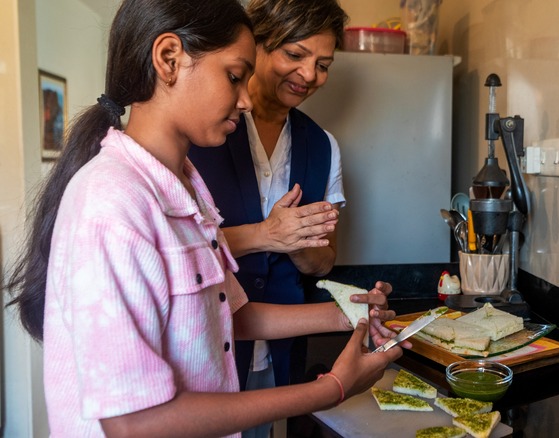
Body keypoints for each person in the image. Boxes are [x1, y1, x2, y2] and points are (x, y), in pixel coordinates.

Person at [3, 0, 405, 436]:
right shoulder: (112, 201)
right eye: (235, 76)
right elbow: (134, 424)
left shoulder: (187, 188)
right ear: (169, 59)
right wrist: (333, 389)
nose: (248, 100)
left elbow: (222, 316)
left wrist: (343, 315)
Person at [188, 0, 349, 409]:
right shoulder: (199, 131)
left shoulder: (322, 145)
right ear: (254, 46)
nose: (310, 75)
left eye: (324, 64)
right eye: (295, 55)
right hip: (207, 340)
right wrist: (267, 235)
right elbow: (174, 249)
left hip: (281, 342)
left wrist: (297, 244)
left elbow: (325, 261)